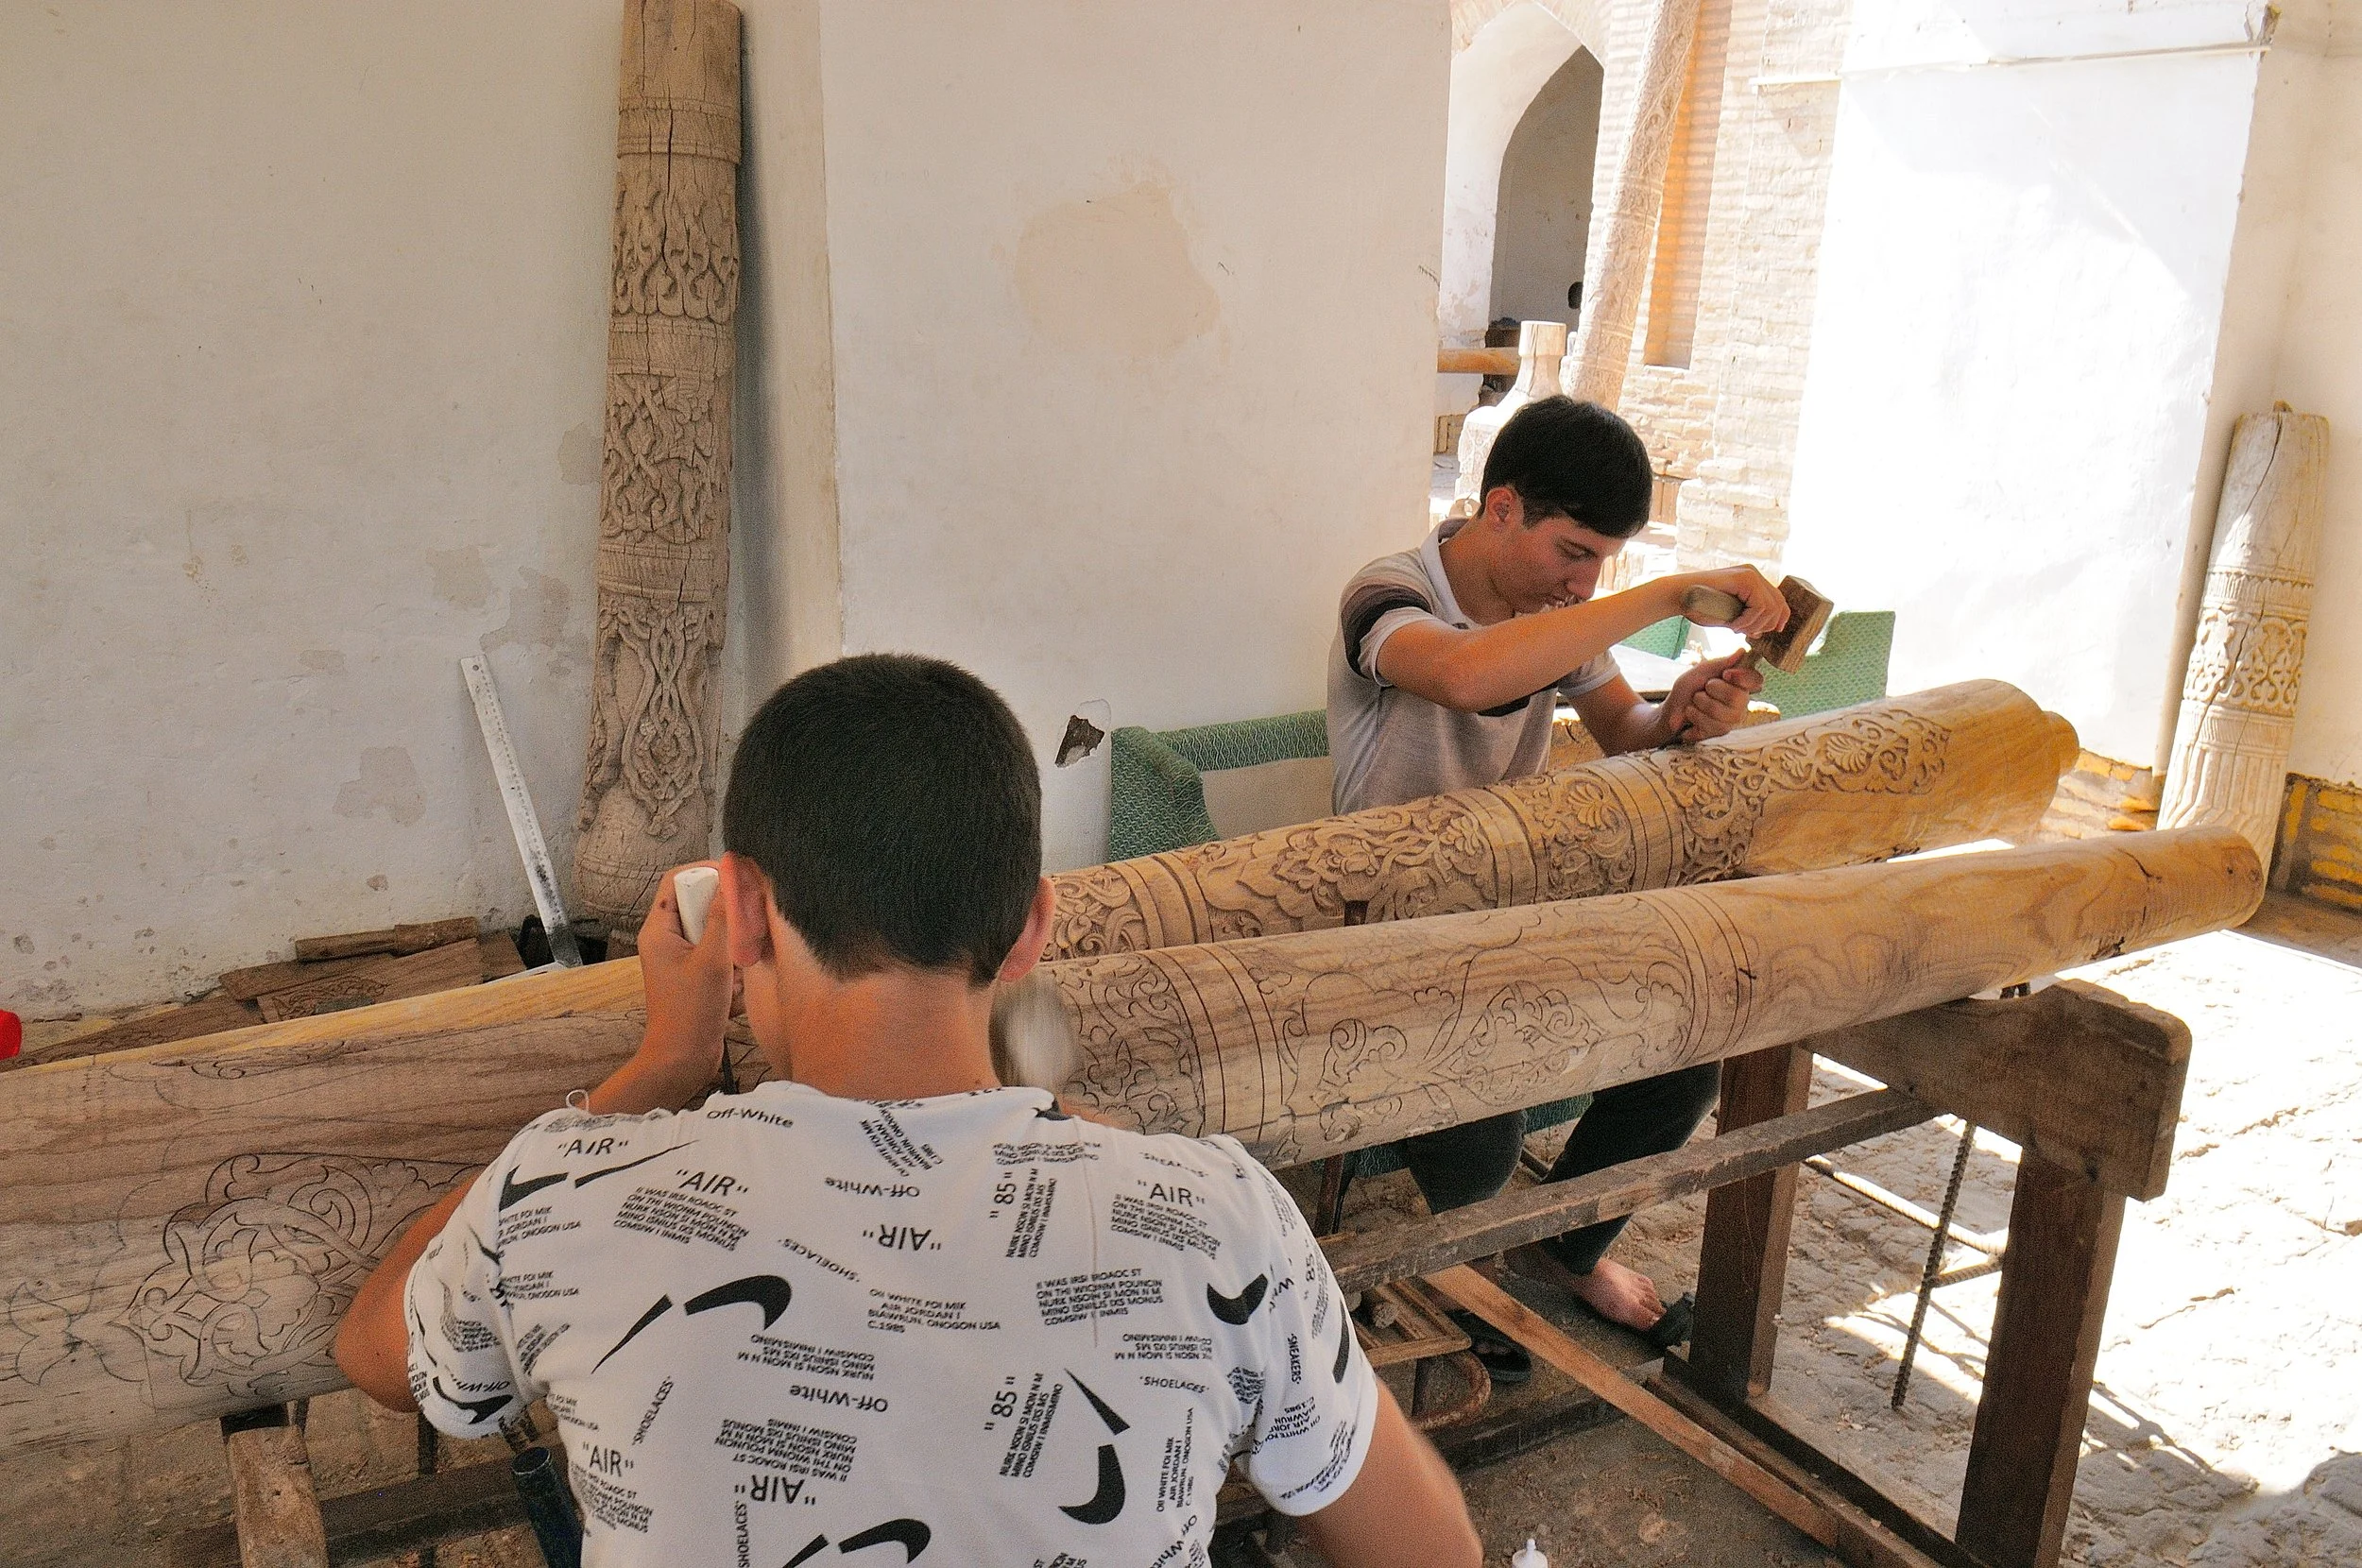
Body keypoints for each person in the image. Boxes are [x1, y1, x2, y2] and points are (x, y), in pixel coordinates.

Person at [337, 655, 1480, 1568]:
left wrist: (665, 1063)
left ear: (737, 910)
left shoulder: (567, 1195)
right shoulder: (1217, 1219)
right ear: (1029, 929)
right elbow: (1434, 1554)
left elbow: (378, 1351)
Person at [1327, 395, 1789, 1367]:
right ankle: (1454, 1274)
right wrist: (1665, 594)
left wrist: (1689, 711)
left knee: (1683, 1058)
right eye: (1572, 550)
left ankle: (1569, 1250)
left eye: (1601, 562)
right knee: (1479, 1127)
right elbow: (1462, 675)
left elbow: (1629, 734)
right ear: (1501, 509)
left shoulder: (1556, 612)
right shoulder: (1386, 593)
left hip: (1515, 909)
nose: (1582, 581)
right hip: (1383, 929)